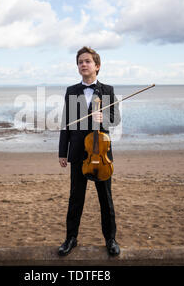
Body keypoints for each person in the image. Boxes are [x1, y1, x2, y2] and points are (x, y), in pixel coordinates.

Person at [58, 46, 121, 257]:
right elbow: (66, 123)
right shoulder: (71, 91)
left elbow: (116, 118)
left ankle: (110, 239)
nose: (83, 64)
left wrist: (106, 118)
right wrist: (62, 152)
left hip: (101, 153)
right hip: (77, 152)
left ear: (97, 66)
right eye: (80, 62)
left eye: (87, 61)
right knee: (75, 198)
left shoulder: (108, 90)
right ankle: (71, 238)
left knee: (106, 199)